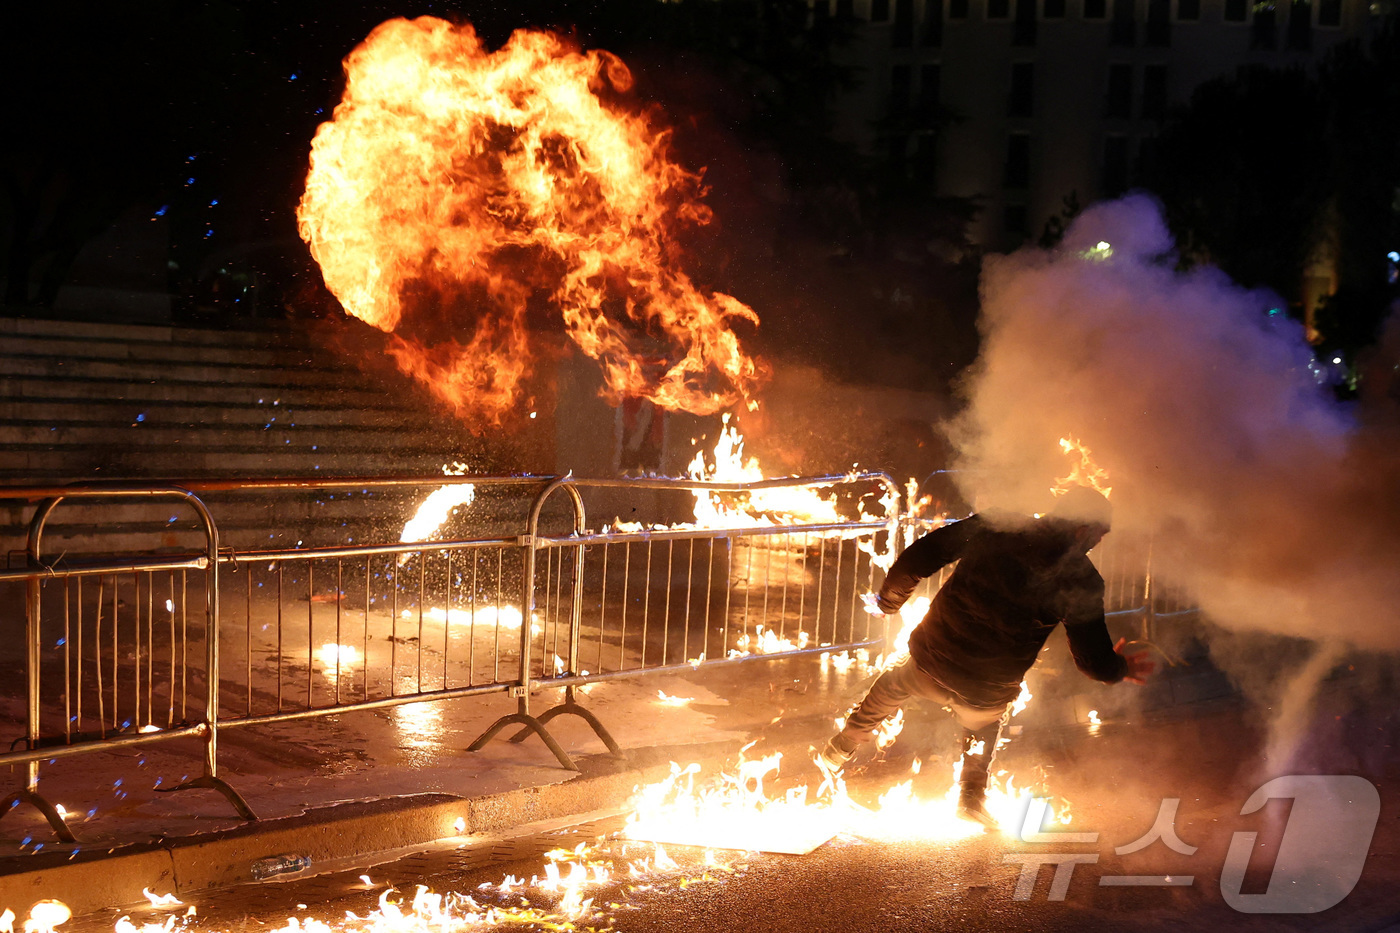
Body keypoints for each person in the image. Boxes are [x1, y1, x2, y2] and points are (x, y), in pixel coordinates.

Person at [817, 485, 1154, 828]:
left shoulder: (999, 524)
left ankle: (840, 748)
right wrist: (1118, 668)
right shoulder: (1082, 581)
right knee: (984, 725)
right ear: (1082, 530)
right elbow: (1093, 661)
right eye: (1099, 534)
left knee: (891, 685)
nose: (1099, 542)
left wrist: (890, 601)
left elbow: (922, 556)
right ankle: (971, 797)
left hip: (931, 659)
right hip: (986, 690)